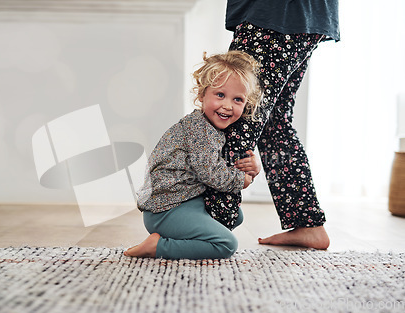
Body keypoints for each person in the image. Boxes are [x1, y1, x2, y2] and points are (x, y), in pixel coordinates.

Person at [203, 0, 340, 249]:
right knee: (274, 120)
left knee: (237, 114)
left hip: (275, 14)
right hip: (300, 16)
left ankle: (211, 224)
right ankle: (308, 223)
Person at [124, 51, 262, 259]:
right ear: (201, 95)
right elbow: (211, 173)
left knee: (234, 215)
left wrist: (252, 166)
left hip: (187, 200)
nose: (227, 105)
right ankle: (158, 245)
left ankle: (190, 239)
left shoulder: (214, 129)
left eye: (238, 99)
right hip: (166, 210)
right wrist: (241, 179)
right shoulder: (200, 129)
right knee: (226, 244)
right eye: (220, 95)